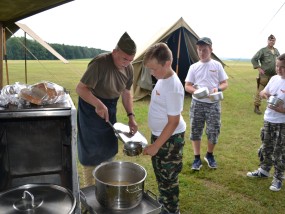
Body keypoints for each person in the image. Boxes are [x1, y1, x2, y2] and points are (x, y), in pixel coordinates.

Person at [76, 32, 138, 187]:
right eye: (124, 58)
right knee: (91, 152)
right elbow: (81, 89)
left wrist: (131, 116)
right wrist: (97, 103)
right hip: (90, 108)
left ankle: (105, 184)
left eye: (130, 60)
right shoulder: (100, 63)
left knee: (108, 148)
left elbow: (126, 92)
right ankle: (89, 191)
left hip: (110, 107)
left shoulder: (129, 68)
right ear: (114, 52)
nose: (127, 63)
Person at [142, 42, 186, 214]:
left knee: (169, 178)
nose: (151, 73)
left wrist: (155, 146)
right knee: (161, 175)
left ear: (166, 63)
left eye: (153, 69)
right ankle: (164, 202)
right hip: (161, 138)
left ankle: (171, 210)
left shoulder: (173, 86)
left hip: (170, 140)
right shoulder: (162, 79)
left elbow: (173, 121)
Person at [185, 37, 229, 171]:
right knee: (195, 130)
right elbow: (187, 86)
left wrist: (218, 89)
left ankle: (209, 155)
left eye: (204, 50)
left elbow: (225, 83)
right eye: (199, 50)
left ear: (211, 49)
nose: (201, 53)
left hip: (213, 103)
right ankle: (196, 158)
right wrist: (196, 91)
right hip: (197, 103)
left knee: (213, 130)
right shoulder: (194, 67)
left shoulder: (217, 65)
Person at [247, 53, 285, 192]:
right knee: (266, 146)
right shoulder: (274, 79)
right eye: (277, 66)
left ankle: (278, 178)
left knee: (279, 151)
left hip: (282, 123)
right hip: (268, 119)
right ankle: (264, 170)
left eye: (282, 67)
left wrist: (282, 110)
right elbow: (263, 92)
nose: (278, 69)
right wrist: (265, 95)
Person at [251, 34, 280, 115]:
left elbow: (280, 61)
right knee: (260, 90)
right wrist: (259, 68)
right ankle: (256, 107)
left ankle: (272, 106)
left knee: (273, 91)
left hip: (274, 76)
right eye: (270, 40)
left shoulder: (277, 51)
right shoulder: (263, 50)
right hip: (264, 75)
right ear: (268, 41)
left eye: (273, 40)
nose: (272, 41)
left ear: (275, 41)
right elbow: (254, 59)